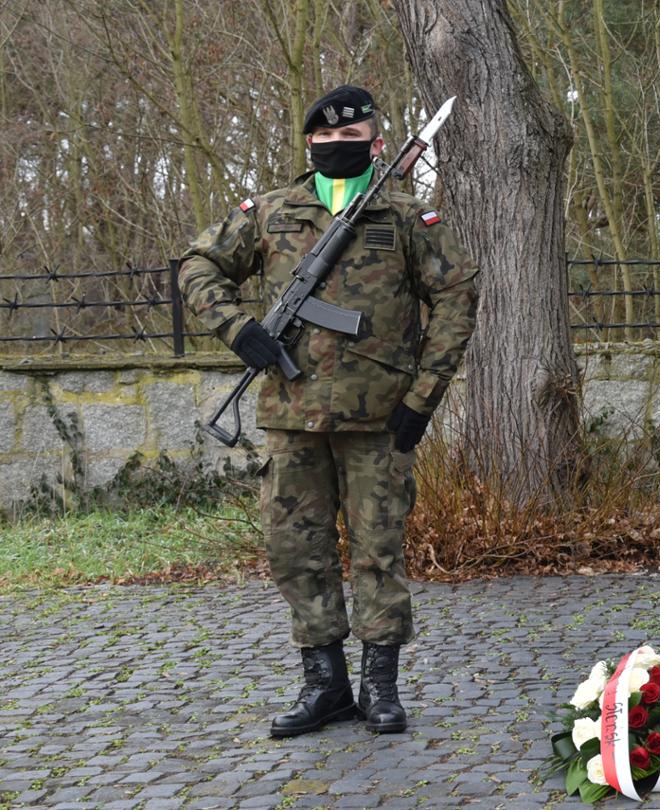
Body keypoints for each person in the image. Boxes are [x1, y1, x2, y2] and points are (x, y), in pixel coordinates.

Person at [178, 84, 479, 737]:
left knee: (378, 551)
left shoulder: (404, 216)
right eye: (326, 139)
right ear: (309, 142)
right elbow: (200, 265)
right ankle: (326, 687)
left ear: (376, 144)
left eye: (354, 140)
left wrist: (424, 397)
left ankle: (380, 688)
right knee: (297, 552)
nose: (339, 148)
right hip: (292, 417)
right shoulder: (270, 211)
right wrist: (238, 330)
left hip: (380, 419)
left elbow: (457, 294)